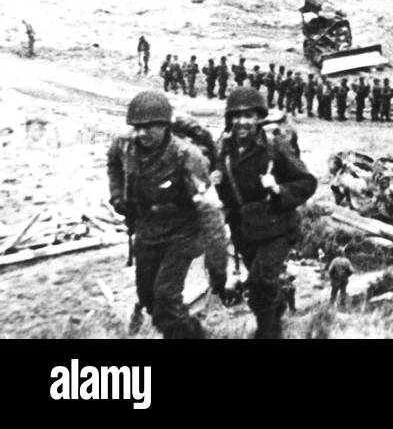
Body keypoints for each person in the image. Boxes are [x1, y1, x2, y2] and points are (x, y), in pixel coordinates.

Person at [213, 87, 317, 339]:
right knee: (260, 289)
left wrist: (278, 189)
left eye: (249, 116)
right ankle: (275, 318)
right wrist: (215, 184)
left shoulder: (274, 147)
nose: (242, 122)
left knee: (261, 282)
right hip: (245, 232)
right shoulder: (223, 150)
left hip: (278, 228)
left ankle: (269, 332)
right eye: (236, 116)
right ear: (229, 120)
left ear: (259, 118)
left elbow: (307, 182)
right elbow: (226, 195)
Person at [106, 91, 212, 339]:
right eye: (138, 127)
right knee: (149, 299)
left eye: (150, 126)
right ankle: (192, 333)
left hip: (182, 233)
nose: (143, 133)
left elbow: (208, 206)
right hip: (147, 229)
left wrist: (216, 263)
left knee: (166, 297)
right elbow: (113, 164)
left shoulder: (186, 155)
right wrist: (117, 195)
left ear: (165, 125)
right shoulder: (124, 144)